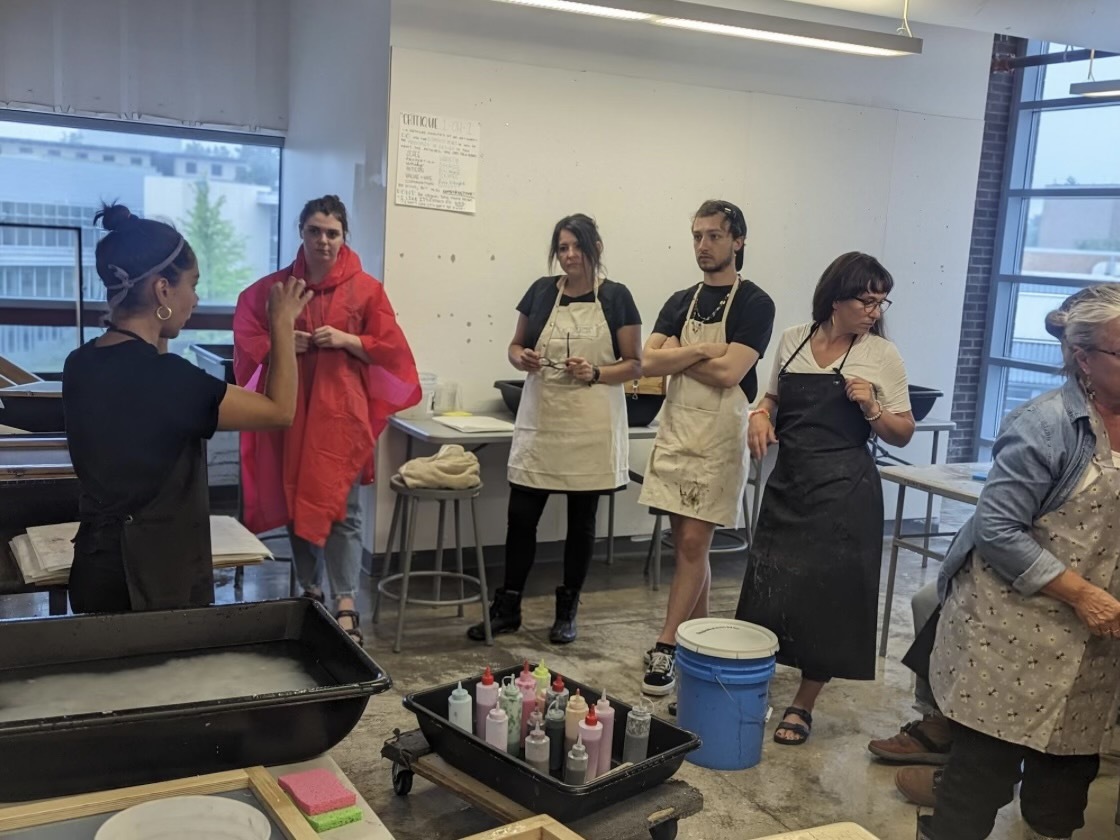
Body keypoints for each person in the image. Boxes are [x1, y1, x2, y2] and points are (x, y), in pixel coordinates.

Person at [921, 285, 1120, 840]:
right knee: (978, 784)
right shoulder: (1047, 425)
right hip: (1012, 637)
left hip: (1094, 649)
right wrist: (1083, 594)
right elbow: (998, 530)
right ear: (1083, 358)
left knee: (1062, 793)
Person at [63, 204, 312, 614]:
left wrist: (158, 329)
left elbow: (136, 380)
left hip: (95, 566)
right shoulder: (170, 380)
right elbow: (279, 411)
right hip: (153, 582)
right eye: (191, 285)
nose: (194, 299)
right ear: (163, 289)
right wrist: (281, 324)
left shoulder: (80, 363)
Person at [737, 252, 915, 744]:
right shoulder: (794, 339)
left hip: (846, 491)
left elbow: (902, 432)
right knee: (769, 590)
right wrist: (759, 416)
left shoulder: (882, 354)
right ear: (836, 298)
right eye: (866, 300)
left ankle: (803, 702)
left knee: (827, 599)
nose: (874, 311)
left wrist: (874, 406)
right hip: (790, 483)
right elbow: (770, 397)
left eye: (881, 302)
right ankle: (750, 684)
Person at [234, 195, 420, 643]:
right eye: (315, 230)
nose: (323, 240)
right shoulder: (279, 289)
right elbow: (246, 329)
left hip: (342, 417)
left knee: (345, 508)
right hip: (291, 411)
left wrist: (347, 338)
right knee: (297, 502)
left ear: (344, 237)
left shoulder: (366, 289)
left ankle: (346, 601)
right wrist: (283, 341)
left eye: (332, 233)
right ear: (301, 231)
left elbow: (390, 347)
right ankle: (310, 589)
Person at [467, 213, 641, 644]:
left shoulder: (618, 297)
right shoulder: (542, 293)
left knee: (582, 522)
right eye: (562, 248)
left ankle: (568, 609)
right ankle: (508, 606)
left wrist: (596, 372)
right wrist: (519, 358)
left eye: (576, 246)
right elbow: (515, 345)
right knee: (521, 516)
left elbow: (635, 364)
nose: (568, 256)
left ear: (594, 247)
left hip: (591, 424)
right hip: (543, 419)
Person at [637, 200, 775, 695]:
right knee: (687, 549)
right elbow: (646, 362)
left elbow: (731, 373)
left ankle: (668, 645)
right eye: (697, 236)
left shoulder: (755, 304)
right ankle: (700, 644)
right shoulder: (680, 299)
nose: (703, 246)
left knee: (695, 544)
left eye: (715, 236)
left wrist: (675, 356)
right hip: (676, 433)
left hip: (718, 438)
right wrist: (697, 351)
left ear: (738, 241)